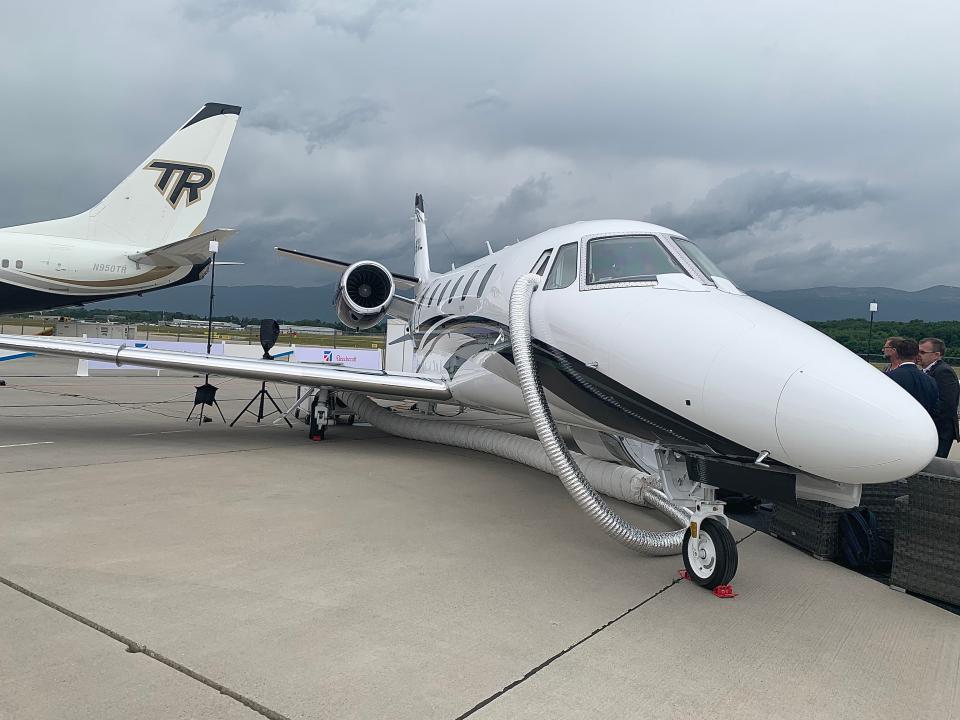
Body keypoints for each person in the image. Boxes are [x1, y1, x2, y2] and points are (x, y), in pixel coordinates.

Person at [918, 337, 960, 458]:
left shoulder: (943, 372)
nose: (918, 355)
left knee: (934, 467)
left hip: (940, 430)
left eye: (922, 352)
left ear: (936, 355)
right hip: (931, 430)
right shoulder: (925, 371)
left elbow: (947, 404)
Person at [884, 337, 939, 417]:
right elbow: (935, 408)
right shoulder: (930, 380)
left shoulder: (889, 377)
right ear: (917, 355)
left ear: (897, 354)